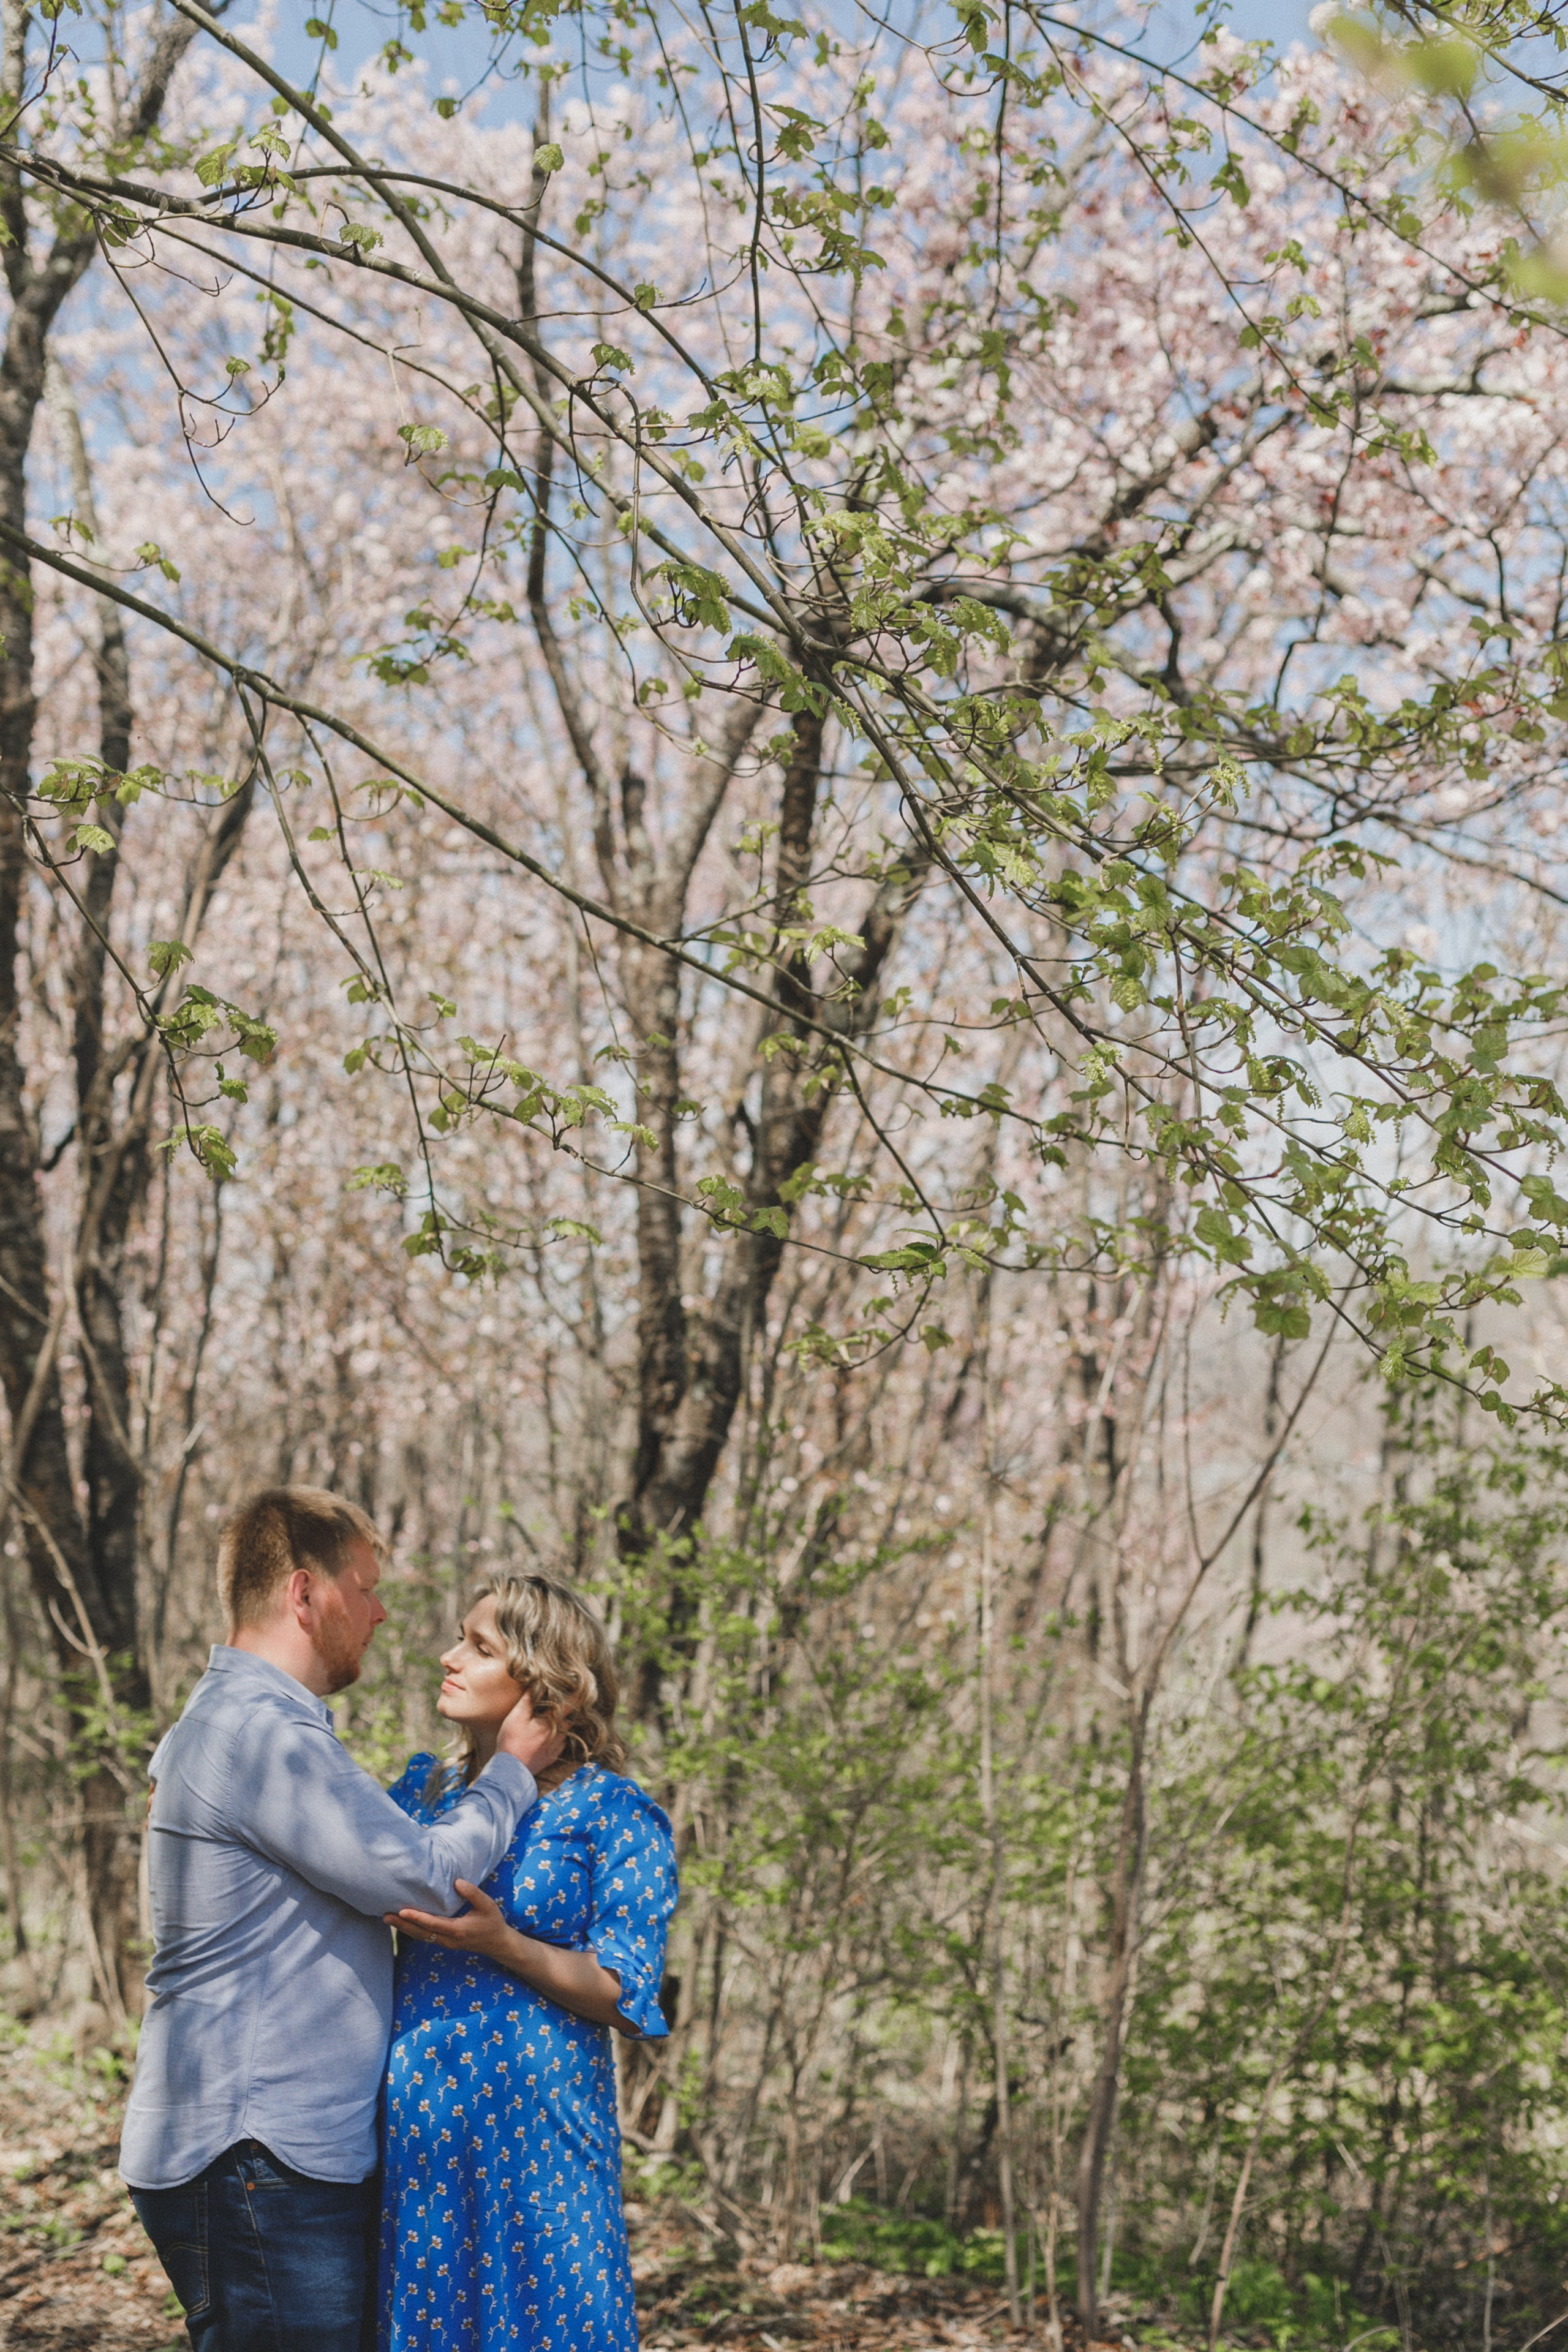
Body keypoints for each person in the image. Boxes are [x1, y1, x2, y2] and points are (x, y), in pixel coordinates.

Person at [122, 1487, 564, 2352]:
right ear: (303, 1594)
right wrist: (511, 1771)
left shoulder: (238, 1726)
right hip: (259, 2157)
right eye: (363, 1587)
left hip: (259, 2156)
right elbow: (428, 1884)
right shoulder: (261, 1737)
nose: (382, 1611)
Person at [377, 1572, 677, 2351]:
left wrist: (506, 1945)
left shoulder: (613, 1813)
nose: (448, 1658)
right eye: (458, 1638)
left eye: (478, 1648)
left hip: (544, 2136)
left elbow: (624, 1991)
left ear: (547, 1687)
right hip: (427, 2125)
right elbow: (320, 1855)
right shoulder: (421, 1795)